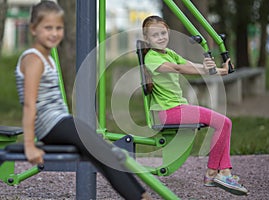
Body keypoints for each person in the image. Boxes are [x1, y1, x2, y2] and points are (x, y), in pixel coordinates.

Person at [15, 1, 152, 199]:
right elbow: (29, 104)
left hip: (59, 121)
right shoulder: (33, 59)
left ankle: (141, 194)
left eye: (58, 28)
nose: (54, 33)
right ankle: (140, 196)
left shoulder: (46, 58)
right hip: (50, 125)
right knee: (104, 153)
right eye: (48, 28)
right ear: (34, 29)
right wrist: (29, 145)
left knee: (107, 153)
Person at [142, 15, 248, 195]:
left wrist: (220, 70)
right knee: (224, 123)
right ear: (147, 39)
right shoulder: (151, 58)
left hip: (177, 108)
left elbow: (192, 65)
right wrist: (205, 69)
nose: (160, 38)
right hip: (168, 112)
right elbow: (178, 69)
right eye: (155, 35)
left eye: (163, 33)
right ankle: (215, 173)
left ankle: (222, 172)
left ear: (168, 33)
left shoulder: (169, 53)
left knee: (224, 123)